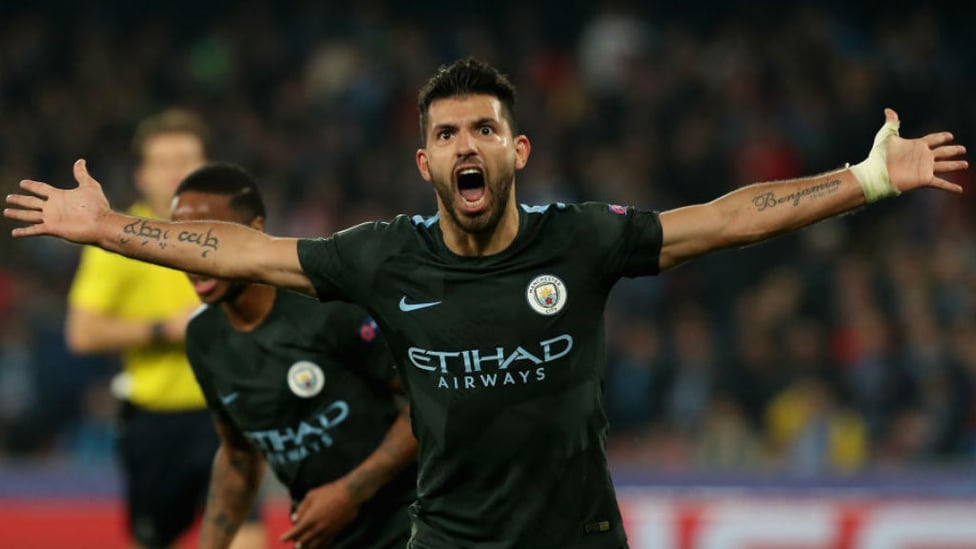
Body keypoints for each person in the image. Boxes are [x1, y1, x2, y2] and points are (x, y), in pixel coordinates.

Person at [5, 58, 968, 548]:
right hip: (453, 539)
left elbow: (727, 219)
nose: (469, 144)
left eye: (486, 128)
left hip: (580, 535)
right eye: (449, 132)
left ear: (517, 152)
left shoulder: (581, 239)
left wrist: (868, 179)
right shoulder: (383, 257)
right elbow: (237, 246)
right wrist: (107, 226)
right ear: (426, 161)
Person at [171, 162, 418, 549]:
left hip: (407, 528)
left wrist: (350, 492)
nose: (195, 254)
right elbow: (239, 457)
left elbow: (426, 403)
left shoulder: (327, 305)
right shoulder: (203, 338)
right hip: (323, 537)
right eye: (181, 240)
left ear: (254, 231)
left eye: (210, 237)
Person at [61, 109, 267, 549]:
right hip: (156, 425)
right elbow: (82, 334)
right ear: (142, 175)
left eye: (187, 160)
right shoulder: (113, 240)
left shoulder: (232, 235)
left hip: (226, 416)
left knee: (246, 538)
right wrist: (165, 329)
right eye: (165, 161)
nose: (177, 171)